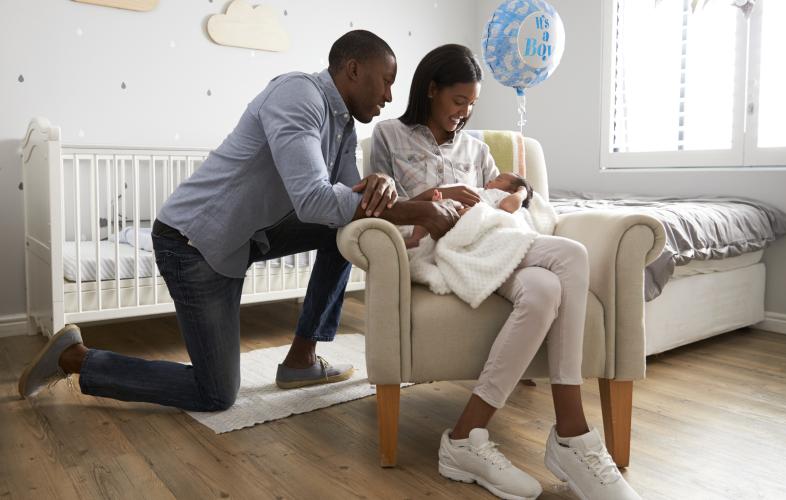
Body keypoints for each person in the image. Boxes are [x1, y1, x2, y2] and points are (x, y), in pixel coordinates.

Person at [18, 30, 460, 412]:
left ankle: (301, 359)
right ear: (352, 69)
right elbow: (312, 201)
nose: (388, 96)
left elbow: (353, 205)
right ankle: (75, 358)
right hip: (192, 244)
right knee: (215, 394)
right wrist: (416, 209)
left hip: (242, 240)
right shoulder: (298, 95)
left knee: (346, 231)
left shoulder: (343, 125)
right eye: (386, 82)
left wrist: (399, 191)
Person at [370, 44, 641, 500]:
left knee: (544, 290)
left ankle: (465, 436)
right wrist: (439, 195)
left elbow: (506, 202)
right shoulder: (389, 136)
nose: (465, 112)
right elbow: (383, 210)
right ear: (431, 90)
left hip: (489, 245)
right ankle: (572, 434)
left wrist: (515, 193)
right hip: (438, 250)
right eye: (459, 101)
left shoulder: (477, 150)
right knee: (570, 256)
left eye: (472, 104)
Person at [404, 172, 532, 248]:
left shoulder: (502, 195)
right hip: (455, 208)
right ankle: (416, 238)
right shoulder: (480, 191)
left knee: (463, 211)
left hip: (472, 215)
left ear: (511, 191)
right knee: (430, 209)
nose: (491, 180)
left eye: (498, 179)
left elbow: (509, 206)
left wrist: (522, 192)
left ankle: (443, 210)